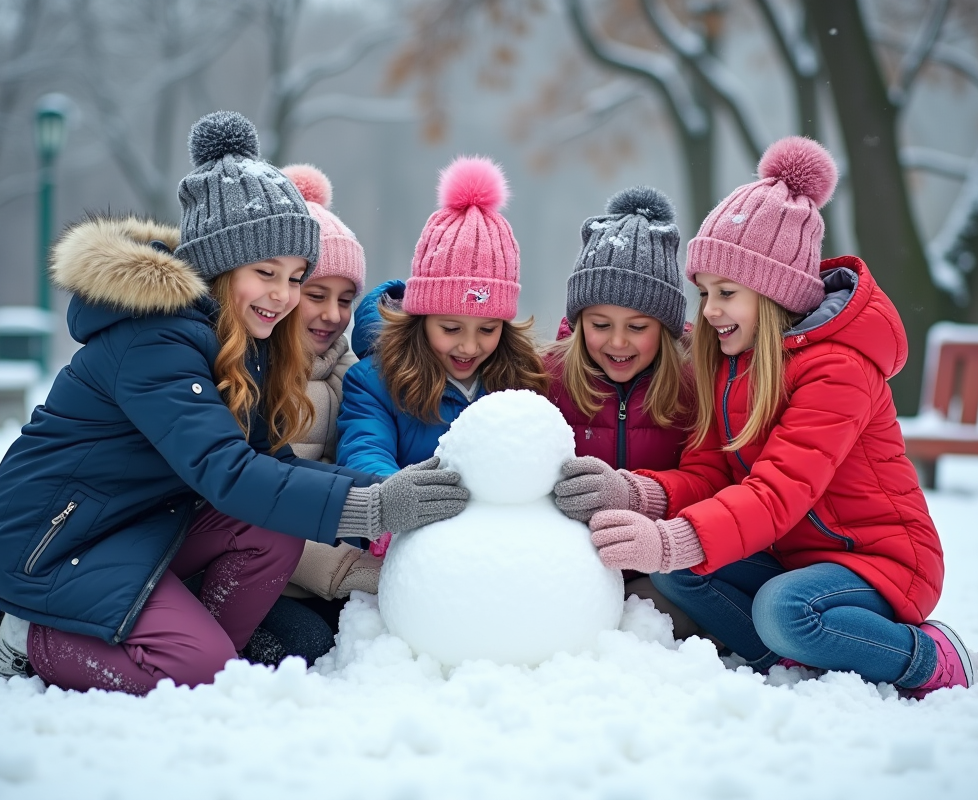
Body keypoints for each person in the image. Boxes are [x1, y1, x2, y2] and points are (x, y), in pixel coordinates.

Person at [0, 112, 468, 695]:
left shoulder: (242, 342)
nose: (284, 297)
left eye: (295, 276)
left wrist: (395, 489)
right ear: (218, 264)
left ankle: (193, 652)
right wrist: (375, 506)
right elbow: (227, 473)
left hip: (144, 526)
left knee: (269, 534)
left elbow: (271, 464)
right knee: (194, 667)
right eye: (265, 273)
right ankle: (28, 638)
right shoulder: (153, 339)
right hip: (55, 543)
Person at [554, 136, 974, 697]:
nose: (710, 311)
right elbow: (709, 477)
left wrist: (670, 537)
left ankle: (928, 658)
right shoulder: (731, 365)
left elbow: (777, 494)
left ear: (774, 293)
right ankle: (795, 662)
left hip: (880, 562)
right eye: (704, 292)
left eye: (726, 292)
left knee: (783, 610)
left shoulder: (838, 370)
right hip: (794, 560)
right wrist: (632, 493)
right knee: (680, 570)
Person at [545, 185, 700, 639]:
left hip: (661, 566)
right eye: (600, 325)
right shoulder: (547, 378)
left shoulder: (693, 386)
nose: (617, 342)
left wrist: (640, 503)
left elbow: (707, 478)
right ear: (578, 322)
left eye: (637, 327)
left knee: (653, 620)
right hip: (574, 562)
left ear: (666, 328)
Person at [336, 155, 548, 479]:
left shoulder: (521, 381)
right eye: (451, 328)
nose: (469, 346)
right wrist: (403, 507)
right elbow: (363, 455)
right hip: (409, 526)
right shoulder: (375, 383)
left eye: (488, 329)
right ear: (421, 318)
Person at [246, 163, 381, 666]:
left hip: (321, 571)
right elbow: (258, 499)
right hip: (257, 570)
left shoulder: (351, 374)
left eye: (346, 300)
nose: (333, 315)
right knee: (309, 646)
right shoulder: (251, 375)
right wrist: (346, 569)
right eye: (317, 295)